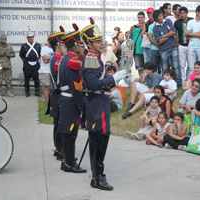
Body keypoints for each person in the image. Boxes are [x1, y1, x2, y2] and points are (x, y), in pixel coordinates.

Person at [80, 18, 127, 190]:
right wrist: (114, 78)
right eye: (97, 41)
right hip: (98, 102)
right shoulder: (91, 58)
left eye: (101, 40)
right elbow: (93, 84)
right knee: (101, 137)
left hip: (99, 102)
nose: (102, 43)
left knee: (97, 137)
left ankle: (96, 175)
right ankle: (98, 176)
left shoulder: (96, 57)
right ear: (89, 43)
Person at [57, 24, 86, 173]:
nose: (82, 48)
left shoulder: (66, 58)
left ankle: (66, 160)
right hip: (70, 101)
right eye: (80, 45)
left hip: (65, 100)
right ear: (74, 46)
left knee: (68, 133)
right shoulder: (72, 61)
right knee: (70, 133)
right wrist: (82, 104)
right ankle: (68, 163)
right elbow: (76, 87)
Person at [46, 27, 65, 160]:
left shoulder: (57, 58)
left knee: (58, 123)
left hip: (56, 95)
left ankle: (59, 149)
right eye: (63, 44)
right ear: (57, 47)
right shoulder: (58, 60)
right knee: (59, 123)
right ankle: (59, 150)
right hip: (58, 96)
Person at [153, 10, 181, 86]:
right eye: (159, 16)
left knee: (176, 66)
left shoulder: (168, 21)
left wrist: (163, 36)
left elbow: (174, 32)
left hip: (173, 46)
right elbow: (159, 41)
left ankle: (179, 83)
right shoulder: (155, 28)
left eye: (162, 15)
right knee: (165, 67)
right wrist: (169, 34)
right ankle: (164, 84)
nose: (162, 17)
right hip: (164, 49)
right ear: (156, 18)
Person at [185, 5, 200, 80]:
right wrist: (194, 34)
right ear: (197, 12)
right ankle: (191, 82)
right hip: (191, 46)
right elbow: (186, 34)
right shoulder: (190, 22)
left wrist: (190, 34)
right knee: (191, 66)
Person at [19, 26, 41, 97]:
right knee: (27, 79)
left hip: (35, 63)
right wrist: (25, 61)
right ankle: (27, 91)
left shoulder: (37, 45)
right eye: (29, 37)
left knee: (36, 79)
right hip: (27, 63)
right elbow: (21, 55)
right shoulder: (24, 46)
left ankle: (37, 91)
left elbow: (40, 54)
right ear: (27, 38)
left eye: (31, 37)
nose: (30, 38)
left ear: (33, 37)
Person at [174, 7, 193, 85]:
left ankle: (189, 82)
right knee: (182, 65)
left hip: (191, 45)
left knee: (191, 65)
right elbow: (175, 33)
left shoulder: (192, 21)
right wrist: (177, 44)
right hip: (181, 45)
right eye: (181, 13)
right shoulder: (177, 22)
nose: (182, 15)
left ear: (187, 13)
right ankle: (183, 82)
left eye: (183, 13)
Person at [128, 11, 145, 76]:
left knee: (148, 67)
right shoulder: (135, 27)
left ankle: (147, 82)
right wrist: (130, 30)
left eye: (141, 17)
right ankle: (142, 81)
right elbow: (128, 37)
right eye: (139, 17)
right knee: (139, 67)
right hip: (137, 50)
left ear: (144, 18)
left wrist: (143, 28)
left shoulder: (147, 26)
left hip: (146, 50)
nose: (140, 19)